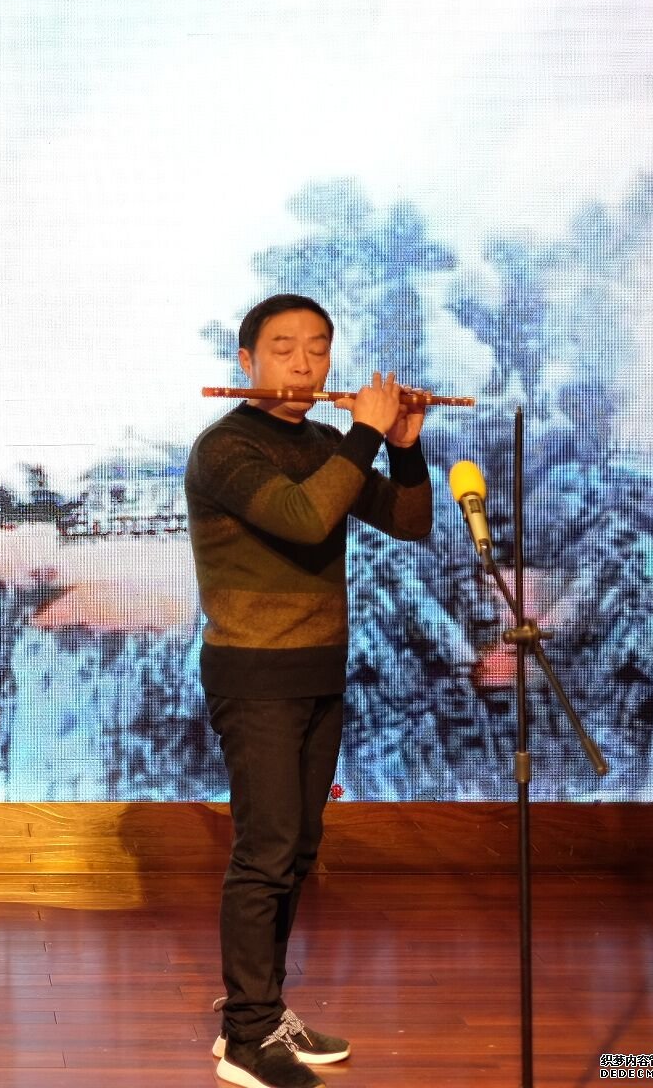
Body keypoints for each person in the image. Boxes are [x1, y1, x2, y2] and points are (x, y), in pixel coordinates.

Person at [184, 293, 433, 1088]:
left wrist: (404, 448)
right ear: (246, 360)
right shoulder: (224, 449)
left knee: (296, 849)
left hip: (317, 669)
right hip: (254, 674)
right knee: (264, 851)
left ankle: (265, 1012)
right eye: (284, 347)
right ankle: (245, 1036)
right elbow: (302, 518)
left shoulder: (326, 442)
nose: (303, 363)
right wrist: (365, 434)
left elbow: (409, 521)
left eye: (317, 348)